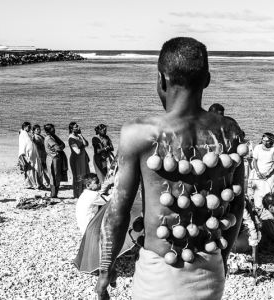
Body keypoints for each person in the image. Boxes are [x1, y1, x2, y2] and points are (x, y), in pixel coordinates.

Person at [94, 37, 245, 300]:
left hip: (160, 274)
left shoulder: (139, 133)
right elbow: (237, 204)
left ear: (161, 79)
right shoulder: (229, 130)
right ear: (207, 80)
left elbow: (118, 210)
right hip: (210, 268)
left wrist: (105, 269)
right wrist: (224, 257)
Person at [249, 133, 274, 209]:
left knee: (268, 191)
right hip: (258, 173)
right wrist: (258, 172)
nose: (265, 142)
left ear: (271, 141)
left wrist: (268, 173)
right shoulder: (258, 147)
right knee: (258, 192)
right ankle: (258, 208)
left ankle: (268, 209)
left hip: (270, 174)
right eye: (263, 140)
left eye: (267, 141)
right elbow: (255, 160)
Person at [44, 124, 68, 198]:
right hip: (53, 159)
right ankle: (53, 194)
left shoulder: (52, 137)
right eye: (52, 129)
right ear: (48, 130)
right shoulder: (49, 138)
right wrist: (60, 147)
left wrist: (55, 137)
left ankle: (54, 194)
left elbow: (63, 145)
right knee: (54, 177)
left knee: (56, 176)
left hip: (54, 158)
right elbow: (59, 148)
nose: (54, 130)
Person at [18, 122, 45, 189]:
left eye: (30, 127)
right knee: (31, 169)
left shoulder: (26, 134)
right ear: (24, 127)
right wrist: (23, 154)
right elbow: (22, 145)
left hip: (33, 154)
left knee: (35, 169)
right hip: (28, 155)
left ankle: (34, 183)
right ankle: (31, 184)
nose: (30, 128)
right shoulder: (23, 134)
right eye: (29, 127)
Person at [69, 122, 90, 198]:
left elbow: (86, 144)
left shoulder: (78, 136)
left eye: (77, 126)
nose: (78, 127)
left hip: (83, 158)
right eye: (76, 127)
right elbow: (77, 151)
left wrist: (81, 135)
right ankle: (77, 194)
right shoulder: (71, 139)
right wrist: (83, 146)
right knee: (78, 176)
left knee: (85, 175)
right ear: (72, 129)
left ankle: (83, 192)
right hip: (76, 160)